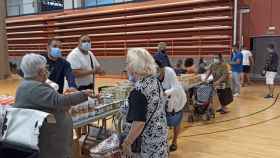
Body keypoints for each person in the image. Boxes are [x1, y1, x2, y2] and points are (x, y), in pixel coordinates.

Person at [14, 53, 93, 158]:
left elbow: (50, 101)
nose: (47, 70)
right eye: (45, 67)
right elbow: (58, 101)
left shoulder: (29, 85)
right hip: (50, 142)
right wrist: (83, 94)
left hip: (50, 138)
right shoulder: (35, 87)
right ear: (40, 71)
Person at [121, 48, 168, 158]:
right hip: (160, 137)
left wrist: (127, 143)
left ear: (134, 66)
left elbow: (139, 123)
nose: (126, 66)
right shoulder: (154, 80)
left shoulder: (138, 90)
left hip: (146, 143)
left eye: (127, 63)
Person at [154, 57, 187, 152]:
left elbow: (175, 87)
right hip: (164, 101)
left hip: (177, 100)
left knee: (176, 122)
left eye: (157, 69)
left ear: (162, 68)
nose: (155, 71)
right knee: (163, 123)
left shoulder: (170, 72)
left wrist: (165, 93)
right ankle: (164, 143)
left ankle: (174, 141)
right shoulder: (154, 74)